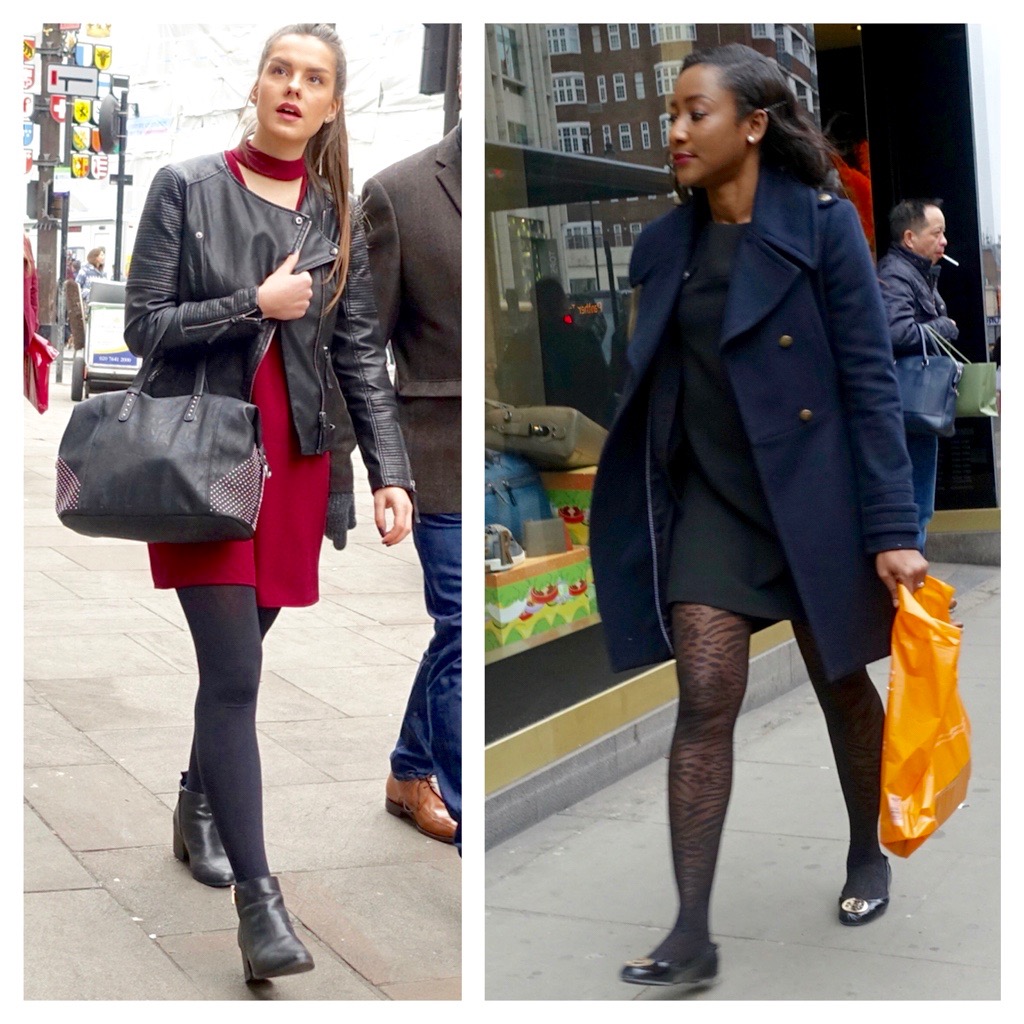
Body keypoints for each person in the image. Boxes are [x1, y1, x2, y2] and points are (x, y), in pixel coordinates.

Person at [589, 44, 929, 990]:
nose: (676, 131)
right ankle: (691, 930)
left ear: (750, 127)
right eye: (671, 115)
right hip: (718, 509)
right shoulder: (664, 245)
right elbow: (649, 384)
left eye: (696, 113)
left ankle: (867, 850)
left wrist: (893, 530)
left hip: (815, 502)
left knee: (842, 689)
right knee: (705, 697)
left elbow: (869, 382)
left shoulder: (824, 230)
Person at [123, 23, 414, 984]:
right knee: (238, 676)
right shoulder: (185, 188)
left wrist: (390, 472)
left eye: (315, 78)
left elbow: (360, 349)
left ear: (331, 106)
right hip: (202, 462)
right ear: (257, 87)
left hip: (295, 464)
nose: (293, 88)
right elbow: (146, 329)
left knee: (240, 660)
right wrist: (254, 304)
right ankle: (261, 907)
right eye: (280, 71)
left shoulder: (336, 214)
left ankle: (196, 802)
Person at [360, 120, 462, 852]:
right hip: (439, 453)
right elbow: (363, 345)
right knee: (459, 626)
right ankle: (463, 813)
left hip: (515, 448)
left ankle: (409, 769)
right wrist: (380, 470)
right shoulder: (397, 193)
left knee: (451, 635)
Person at [877, 198, 958, 550]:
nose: (944, 242)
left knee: (919, 502)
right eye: (937, 233)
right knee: (915, 503)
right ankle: (911, 590)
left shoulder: (915, 273)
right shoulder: (896, 274)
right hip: (907, 404)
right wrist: (945, 326)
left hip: (915, 405)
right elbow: (897, 333)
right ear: (909, 237)